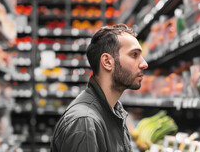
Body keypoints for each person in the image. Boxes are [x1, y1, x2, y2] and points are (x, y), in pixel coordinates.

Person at [51, 24, 149, 152]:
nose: (144, 64)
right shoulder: (85, 123)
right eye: (134, 54)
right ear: (107, 62)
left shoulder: (114, 112)